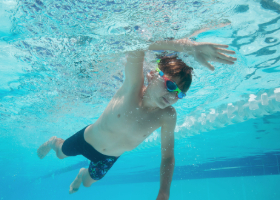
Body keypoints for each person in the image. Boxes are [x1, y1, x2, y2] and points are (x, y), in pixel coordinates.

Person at [37, 38, 236, 199]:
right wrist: (191, 47)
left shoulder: (167, 116)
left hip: (108, 158)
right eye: (170, 86)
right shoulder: (132, 87)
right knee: (61, 154)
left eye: (180, 94)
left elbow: (167, 157)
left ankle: (81, 174)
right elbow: (139, 43)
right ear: (152, 75)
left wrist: (164, 192)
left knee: (88, 182)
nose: (173, 96)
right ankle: (54, 142)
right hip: (87, 140)